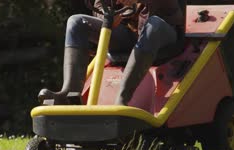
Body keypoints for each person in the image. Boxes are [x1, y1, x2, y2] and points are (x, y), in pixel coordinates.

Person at [38, 0, 186, 105]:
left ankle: (123, 98)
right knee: (76, 22)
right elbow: (99, 4)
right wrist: (107, 18)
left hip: (164, 33)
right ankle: (69, 93)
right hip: (127, 35)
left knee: (154, 24)